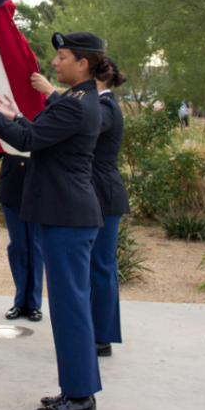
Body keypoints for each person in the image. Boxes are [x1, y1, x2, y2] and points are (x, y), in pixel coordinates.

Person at [0, 31, 107, 410]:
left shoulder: (75, 104)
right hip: (67, 215)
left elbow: (28, 141)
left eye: (62, 57)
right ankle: (77, 390)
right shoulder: (78, 100)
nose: (54, 63)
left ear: (83, 63)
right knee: (68, 307)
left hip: (67, 217)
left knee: (70, 309)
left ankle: (79, 396)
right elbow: (39, 135)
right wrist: (16, 116)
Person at [90, 57, 130, 358]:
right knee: (98, 265)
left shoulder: (105, 107)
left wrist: (53, 95)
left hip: (104, 195)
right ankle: (98, 329)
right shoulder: (101, 103)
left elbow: (86, 124)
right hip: (100, 193)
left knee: (102, 266)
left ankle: (102, 335)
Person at [0, 153, 44, 323]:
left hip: (38, 187)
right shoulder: (9, 123)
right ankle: (20, 302)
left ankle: (34, 304)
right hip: (12, 186)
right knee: (18, 246)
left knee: (35, 246)